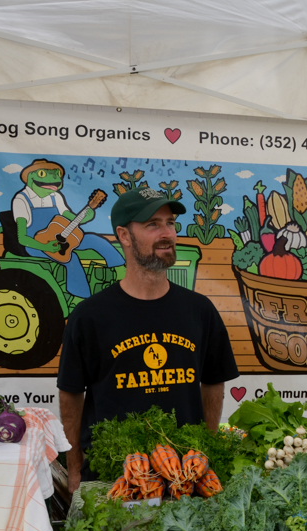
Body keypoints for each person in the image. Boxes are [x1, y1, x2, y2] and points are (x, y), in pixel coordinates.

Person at [58, 187, 239, 493]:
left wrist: (204, 452)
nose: (166, 233)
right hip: (112, 477)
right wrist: (74, 467)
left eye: (170, 223)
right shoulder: (89, 317)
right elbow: (71, 395)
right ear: (124, 236)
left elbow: (213, 381)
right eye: (152, 225)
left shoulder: (199, 310)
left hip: (182, 476)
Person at [11, 158, 125, 299]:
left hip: (64, 236)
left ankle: (121, 272)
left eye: (57, 174)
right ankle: (82, 298)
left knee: (95, 240)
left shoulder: (55, 196)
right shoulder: (21, 200)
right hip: (36, 244)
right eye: (42, 174)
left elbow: (69, 217)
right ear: (30, 177)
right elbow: (22, 238)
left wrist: (86, 216)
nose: (55, 179)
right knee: (71, 258)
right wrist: (44, 245)